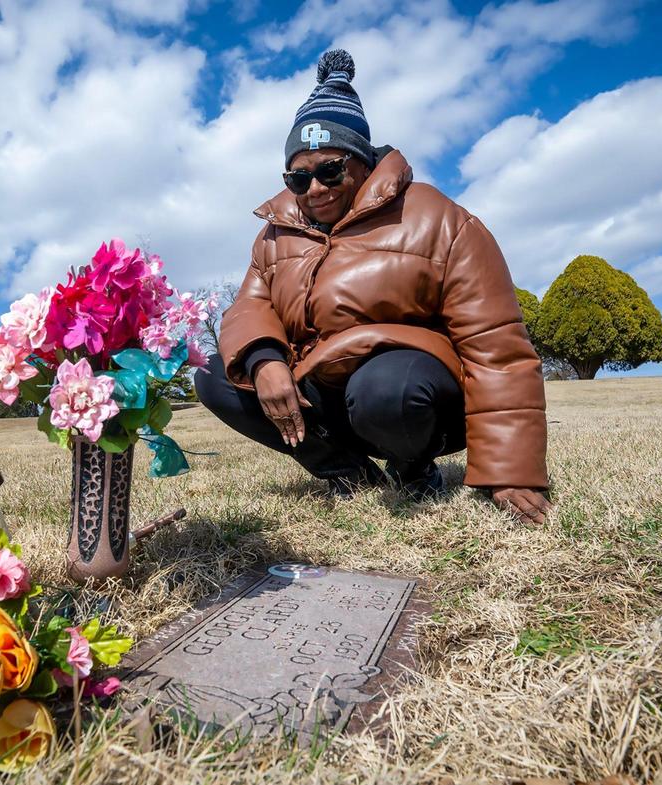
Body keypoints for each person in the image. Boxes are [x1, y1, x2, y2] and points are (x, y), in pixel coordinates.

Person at [195, 49, 551, 525]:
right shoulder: (275, 232)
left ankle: (414, 468)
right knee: (217, 376)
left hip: (413, 395)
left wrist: (513, 471)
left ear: (362, 163)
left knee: (386, 388)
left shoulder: (439, 218)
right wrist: (264, 360)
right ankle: (347, 471)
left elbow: (496, 347)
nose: (315, 188)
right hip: (320, 386)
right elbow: (248, 307)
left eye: (330, 170)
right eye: (299, 177)